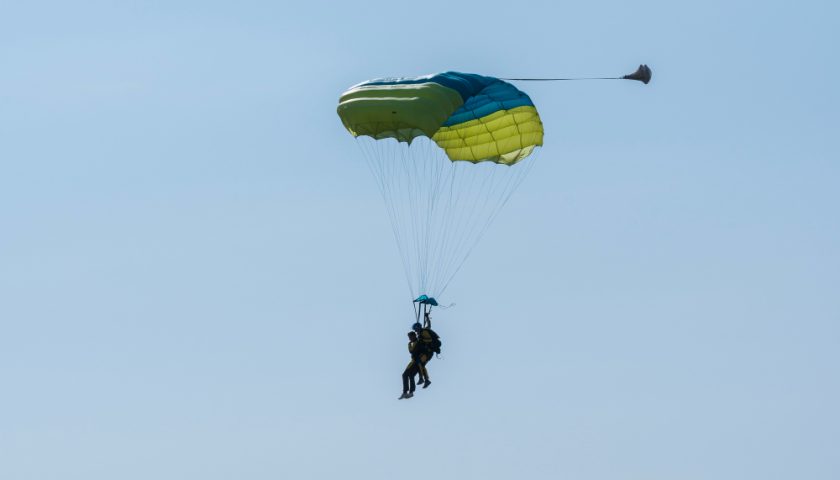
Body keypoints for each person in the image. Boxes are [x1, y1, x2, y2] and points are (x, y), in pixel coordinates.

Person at [412, 313, 437, 389]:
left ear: (418, 328)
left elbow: (430, 339)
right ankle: (426, 380)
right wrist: (427, 317)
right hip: (426, 352)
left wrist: (422, 340)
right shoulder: (424, 331)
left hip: (428, 352)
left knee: (419, 362)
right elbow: (429, 325)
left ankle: (422, 378)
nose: (415, 331)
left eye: (416, 330)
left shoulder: (423, 332)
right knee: (421, 365)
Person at [399, 331, 421, 399]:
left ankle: (406, 392)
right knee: (411, 375)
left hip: (415, 362)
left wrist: (409, 344)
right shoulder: (416, 342)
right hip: (417, 362)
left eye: (410, 337)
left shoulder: (417, 342)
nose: (409, 339)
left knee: (405, 375)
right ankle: (410, 392)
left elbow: (411, 351)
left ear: (414, 336)